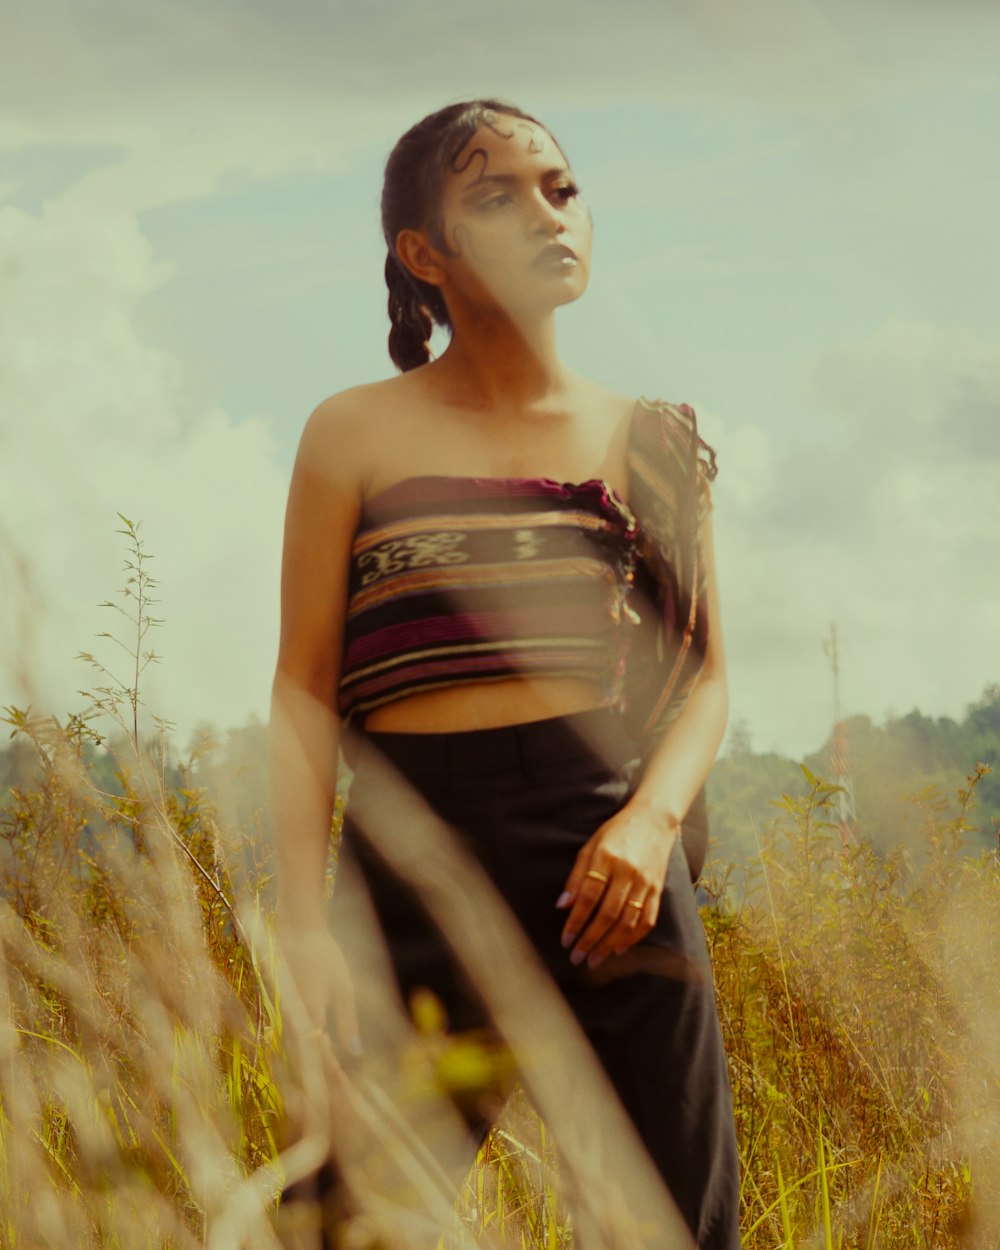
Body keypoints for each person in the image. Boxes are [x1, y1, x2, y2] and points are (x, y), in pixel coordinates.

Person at [269, 98, 740, 1249]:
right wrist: (302, 922)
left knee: (666, 1224)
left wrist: (647, 819)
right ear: (421, 254)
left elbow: (708, 676)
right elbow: (301, 688)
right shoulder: (353, 431)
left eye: (560, 188)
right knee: (346, 1220)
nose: (545, 215)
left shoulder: (653, 439)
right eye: (496, 196)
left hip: (607, 855)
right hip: (407, 848)